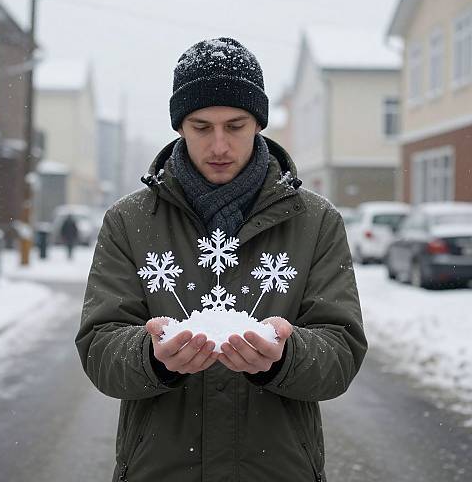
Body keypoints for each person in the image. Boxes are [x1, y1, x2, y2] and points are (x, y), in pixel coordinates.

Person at [76, 37, 367, 482]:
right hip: (159, 469)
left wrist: (285, 356)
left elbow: (342, 351)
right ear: (179, 126)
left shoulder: (316, 221)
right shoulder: (128, 221)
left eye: (235, 126)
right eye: (200, 126)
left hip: (278, 469)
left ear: (259, 124)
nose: (219, 146)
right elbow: (99, 346)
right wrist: (151, 358)